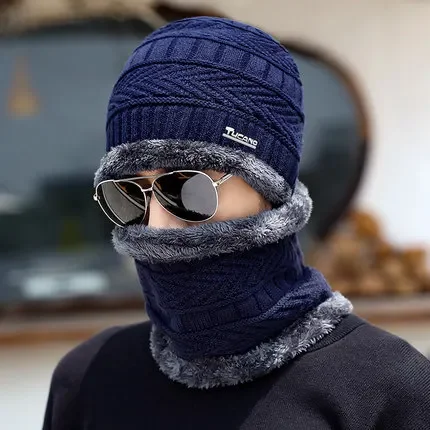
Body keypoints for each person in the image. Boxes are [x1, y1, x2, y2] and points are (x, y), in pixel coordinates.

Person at [43, 17, 430, 430]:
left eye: (187, 187)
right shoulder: (89, 379)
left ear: (269, 187)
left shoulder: (387, 392)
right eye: (128, 194)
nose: (156, 226)